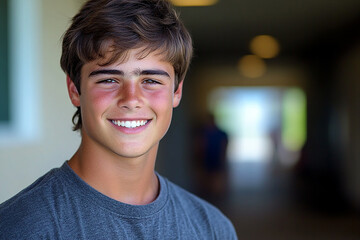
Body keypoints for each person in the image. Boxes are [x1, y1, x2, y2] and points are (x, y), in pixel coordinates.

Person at [0, 0, 237, 239]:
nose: (131, 99)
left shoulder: (213, 228)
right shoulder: (20, 228)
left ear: (176, 92)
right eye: (109, 80)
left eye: (151, 81)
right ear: (74, 90)